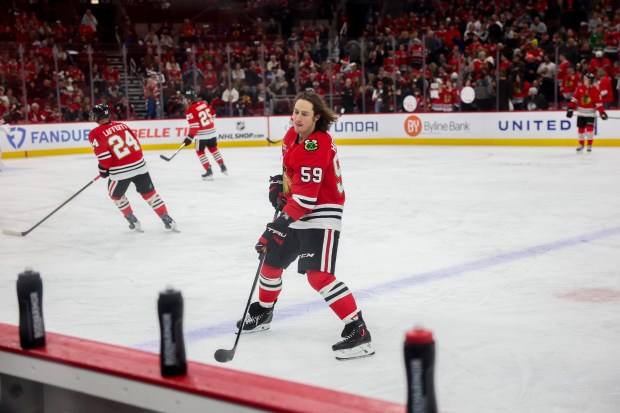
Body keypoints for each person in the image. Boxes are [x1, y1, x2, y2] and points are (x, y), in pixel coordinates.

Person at [238, 90, 375, 361]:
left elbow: (306, 199)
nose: (297, 118)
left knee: (318, 276)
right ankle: (264, 311)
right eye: (296, 112)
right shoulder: (291, 137)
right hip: (297, 209)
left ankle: (359, 331)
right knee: (271, 264)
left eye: (304, 114)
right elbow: (293, 176)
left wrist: (275, 226)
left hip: (321, 214)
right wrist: (280, 184)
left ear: (316, 118)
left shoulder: (318, 145)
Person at [88, 104, 177, 231]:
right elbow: (137, 145)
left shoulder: (95, 133)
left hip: (120, 172)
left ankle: (131, 219)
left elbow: (105, 159)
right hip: (140, 166)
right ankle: (166, 217)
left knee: (116, 196)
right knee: (150, 194)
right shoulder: (123, 125)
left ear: (97, 116)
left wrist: (103, 170)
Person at [182, 89, 228, 180]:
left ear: (189, 100)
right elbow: (213, 115)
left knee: (200, 152)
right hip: (212, 132)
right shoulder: (204, 104)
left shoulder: (190, 110)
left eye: (185, 99)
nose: (184, 101)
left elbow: (194, 126)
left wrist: (189, 137)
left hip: (201, 135)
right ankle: (222, 166)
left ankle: (208, 171)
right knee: (213, 149)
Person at [566, 72, 608, 152]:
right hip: (581, 113)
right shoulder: (580, 88)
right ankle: (581, 144)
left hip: (591, 114)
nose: (584, 80)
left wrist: (602, 113)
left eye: (585, 79)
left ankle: (589, 145)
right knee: (581, 129)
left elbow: (599, 105)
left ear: (590, 81)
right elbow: (574, 99)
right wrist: (570, 108)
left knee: (589, 128)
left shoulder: (596, 91)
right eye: (584, 79)